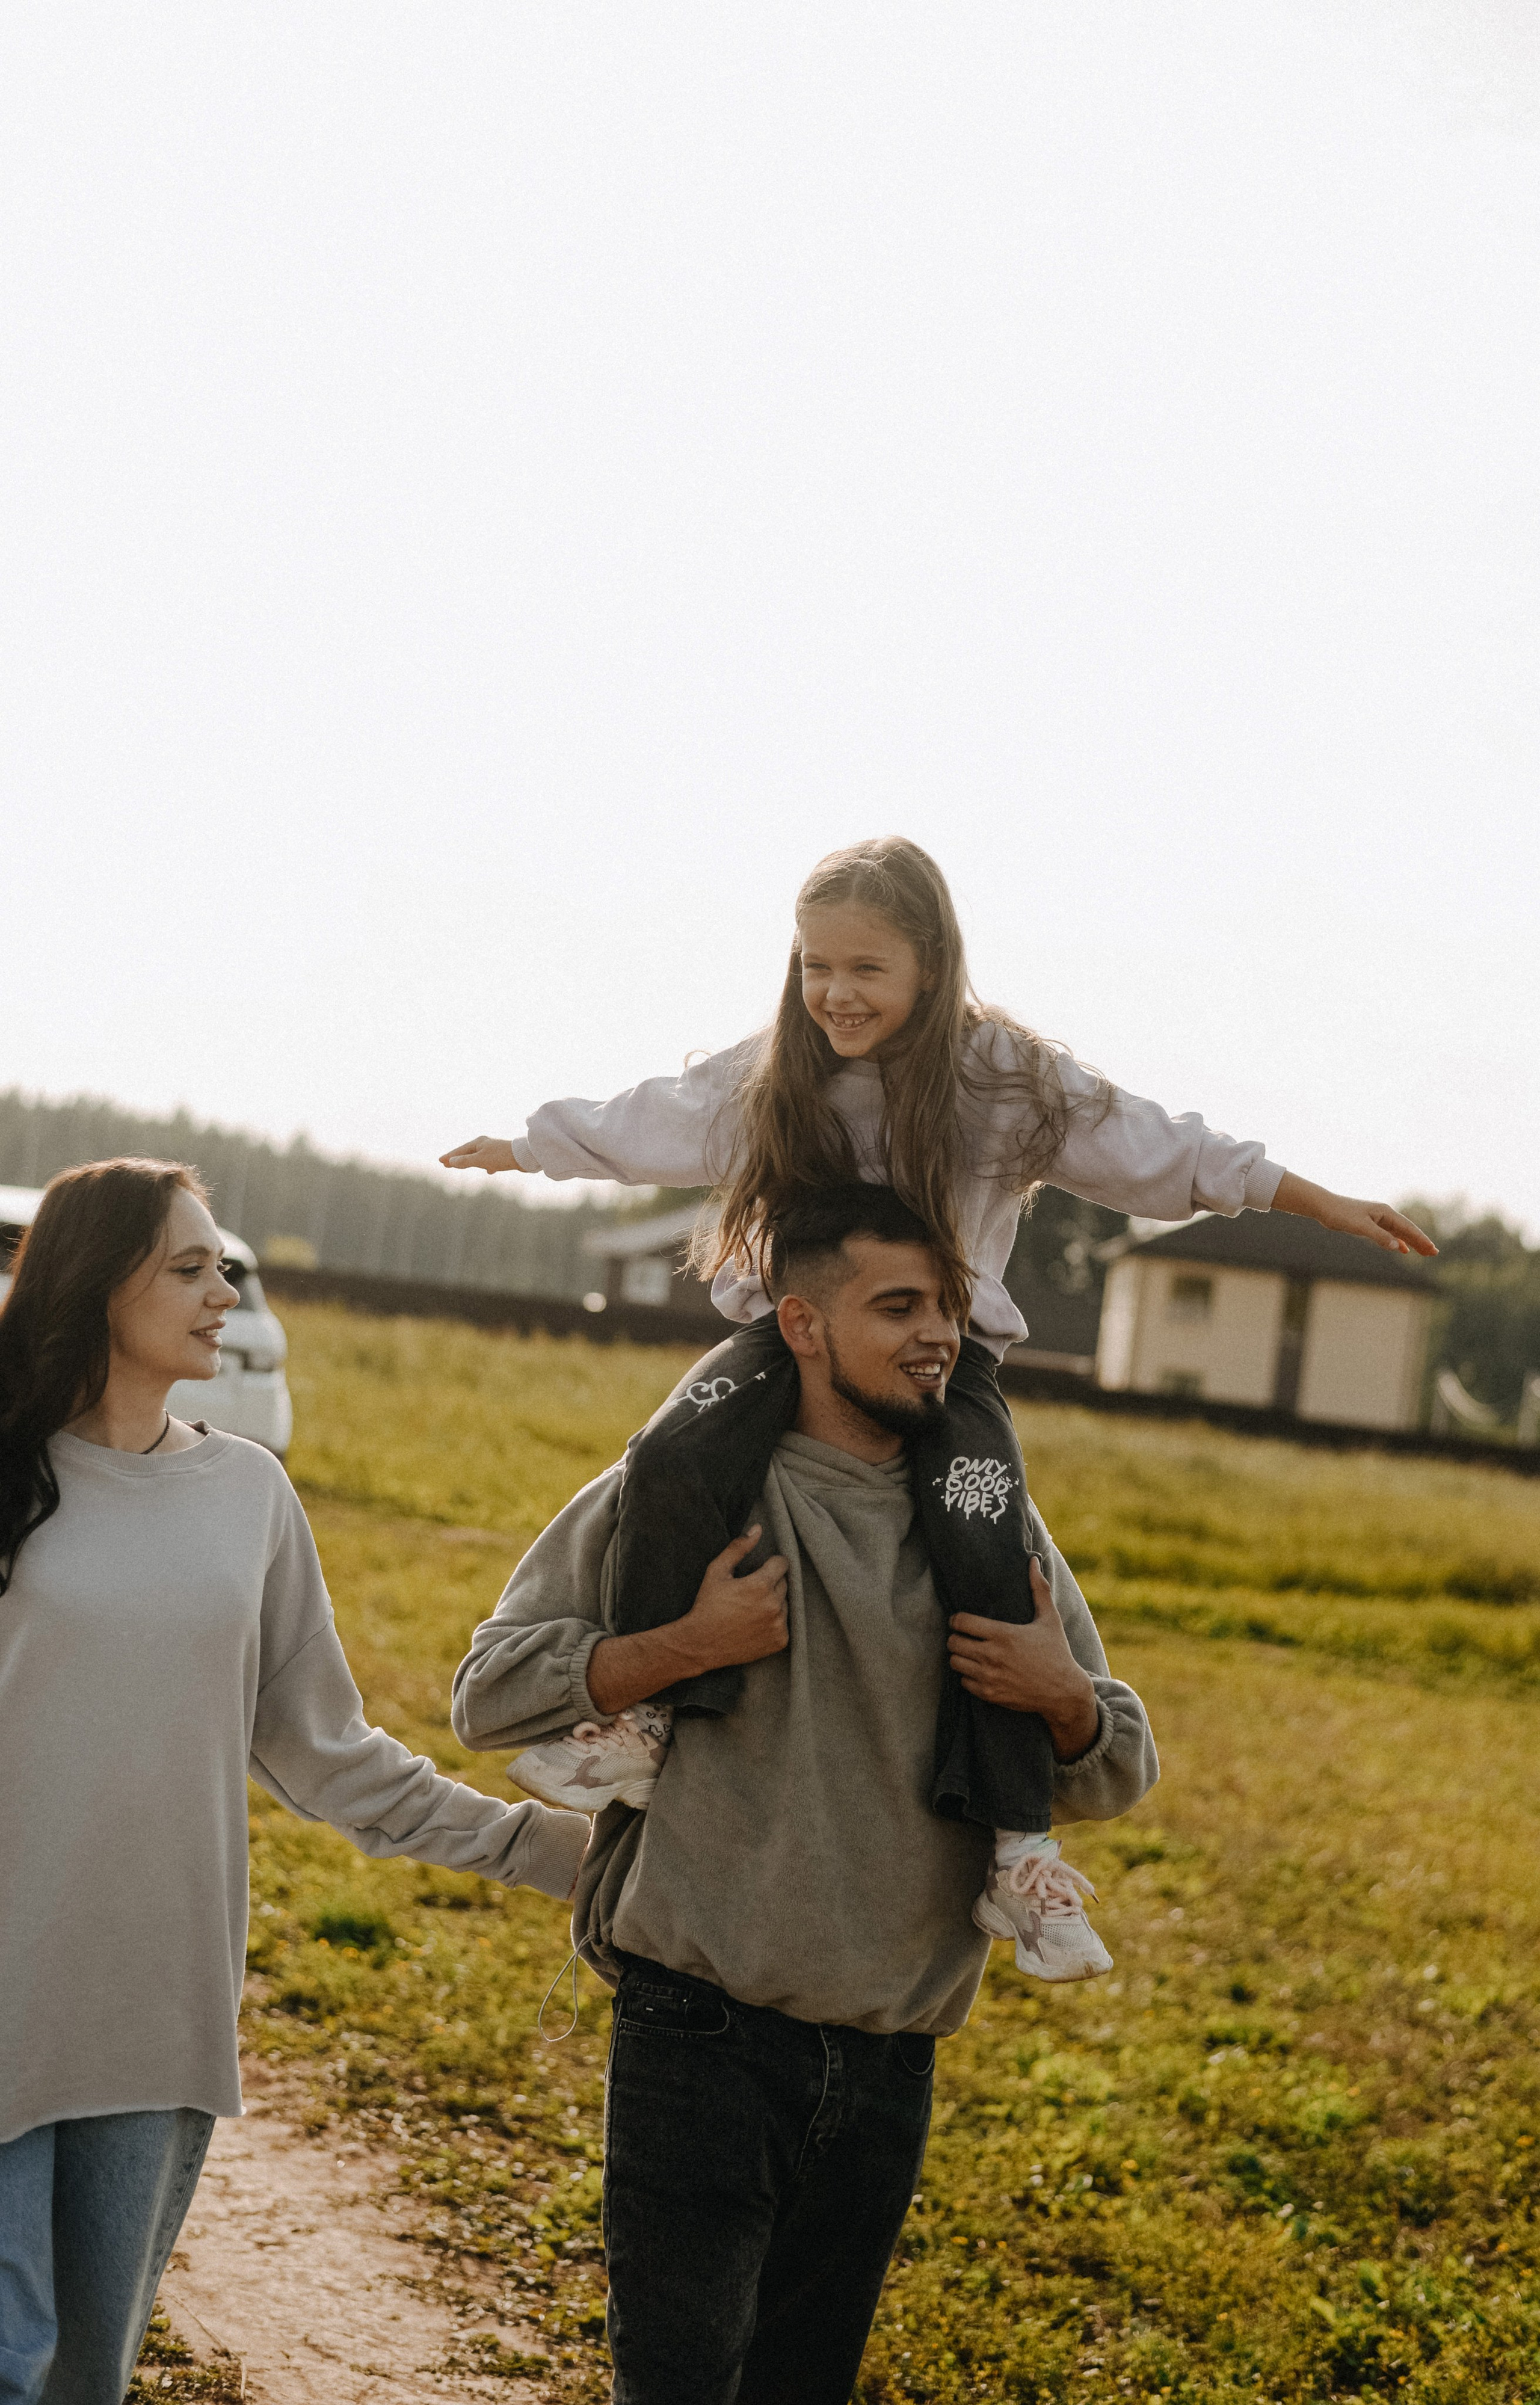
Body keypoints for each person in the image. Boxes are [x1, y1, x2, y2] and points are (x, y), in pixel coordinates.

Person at [440, 834, 1434, 1977]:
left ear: (931, 963)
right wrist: (527, 1146)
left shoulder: (1003, 1080)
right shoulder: (776, 1067)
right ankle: (647, 1720)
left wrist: (1314, 1201)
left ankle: (1020, 1848)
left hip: (948, 1367)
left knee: (982, 1545)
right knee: (670, 1454)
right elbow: (651, 1118)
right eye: (817, 966)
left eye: (866, 968)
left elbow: (1161, 1149)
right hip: (783, 1336)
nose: (836, 994)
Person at [451, 1186, 1159, 2405]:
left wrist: (1061, 1694)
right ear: (802, 1324)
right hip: (698, 2030)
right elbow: (487, 1691)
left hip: (890, 2054)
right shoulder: (689, 1493)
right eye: (897, 1306)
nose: (937, 1332)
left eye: (946, 1305)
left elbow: (1114, 1765)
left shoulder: (989, 1525)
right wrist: (678, 1644)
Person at [0, 1160, 590, 2405]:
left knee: (82, 2377)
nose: (225, 1289)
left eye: (225, 1265)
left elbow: (324, 1748)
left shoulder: (249, 1496)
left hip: (154, 2008)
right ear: (94, 1279)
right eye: (188, 1266)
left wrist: (543, 1849)